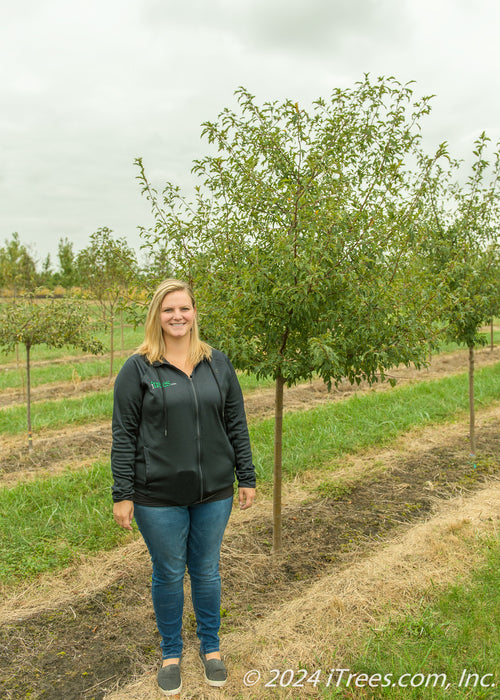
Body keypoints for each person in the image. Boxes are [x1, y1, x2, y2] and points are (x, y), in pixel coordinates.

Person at [111, 278, 256, 696]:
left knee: (207, 570)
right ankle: (171, 654)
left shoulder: (217, 364)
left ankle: (211, 650)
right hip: (157, 496)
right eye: (168, 309)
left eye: (184, 308)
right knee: (170, 572)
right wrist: (122, 493)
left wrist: (245, 475)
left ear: (195, 313)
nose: (177, 316)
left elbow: (236, 422)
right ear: (157, 315)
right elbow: (124, 435)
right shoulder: (139, 369)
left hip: (214, 492)